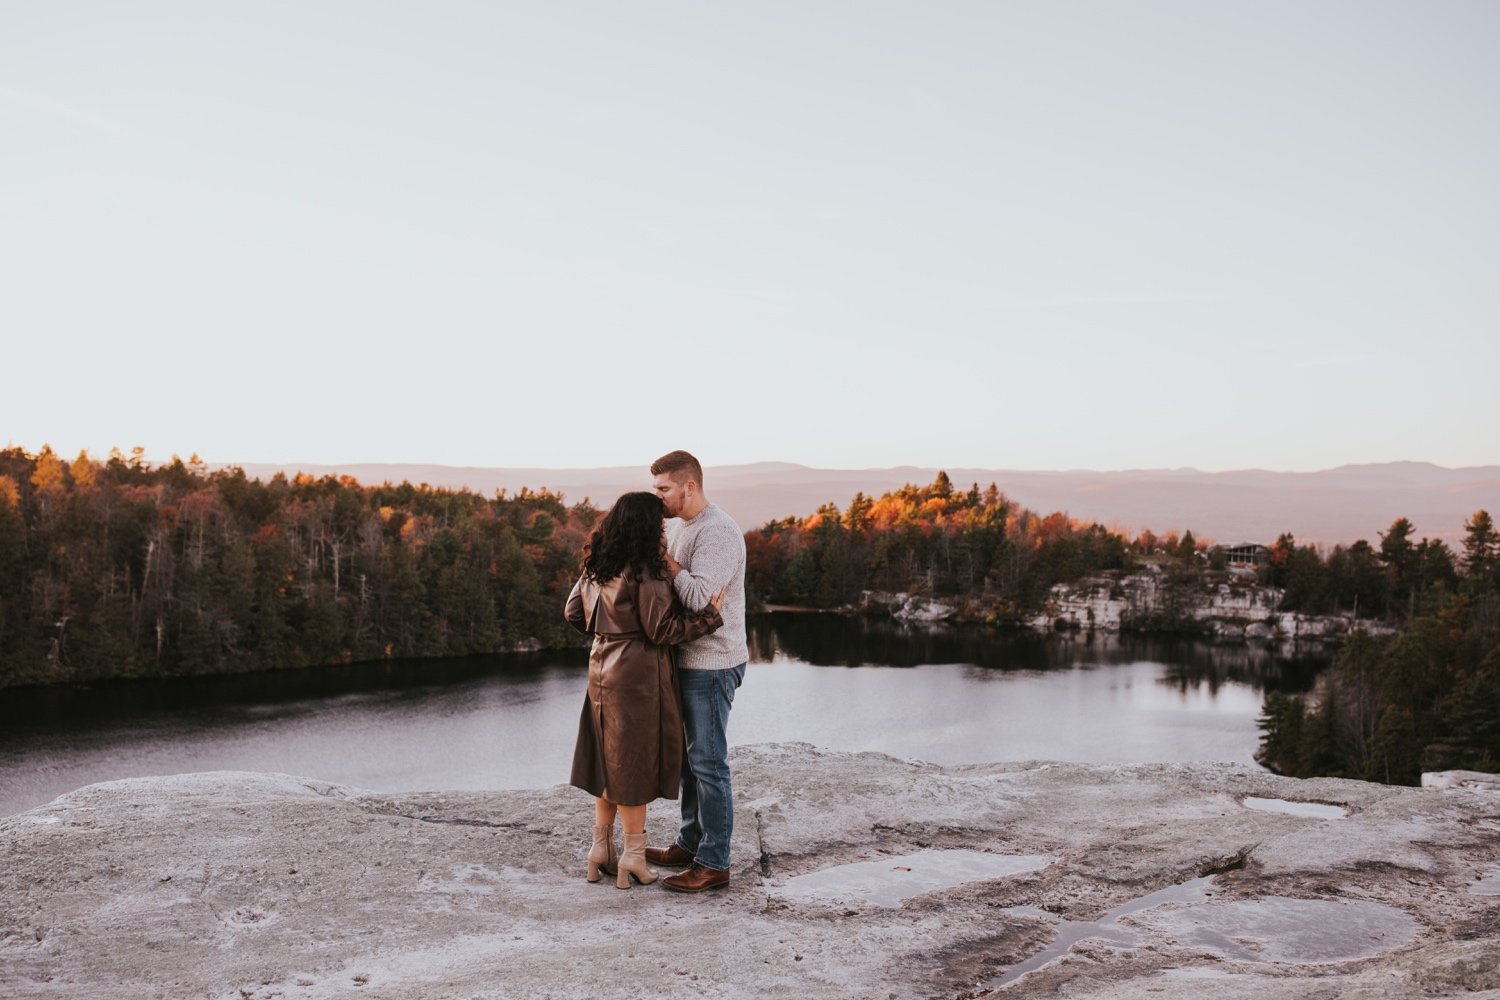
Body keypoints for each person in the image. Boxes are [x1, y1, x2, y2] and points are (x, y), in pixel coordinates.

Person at [566, 491, 726, 889]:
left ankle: (600, 850)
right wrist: (710, 617)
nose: (663, 531)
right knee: (631, 766)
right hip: (637, 675)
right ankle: (633, 859)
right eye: (659, 525)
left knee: (606, 761)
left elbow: (572, 612)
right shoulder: (646, 571)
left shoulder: (597, 564)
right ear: (646, 527)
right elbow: (662, 630)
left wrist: (608, 632)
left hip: (601, 667)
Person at [646, 450, 749, 893]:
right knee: (690, 761)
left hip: (713, 662)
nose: (659, 497)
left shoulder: (718, 533)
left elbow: (698, 599)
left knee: (708, 763)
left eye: (664, 489)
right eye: (655, 488)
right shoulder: (681, 527)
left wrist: (668, 564)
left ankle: (714, 861)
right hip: (688, 659)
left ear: (689, 486)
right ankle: (690, 843)